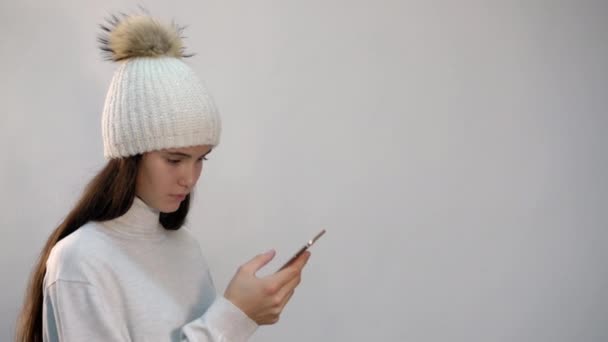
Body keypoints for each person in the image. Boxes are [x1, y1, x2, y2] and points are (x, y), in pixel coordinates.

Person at [15, 11, 311, 342]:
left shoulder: (185, 248)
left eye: (201, 159)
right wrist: (235, 317)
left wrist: (243, 314)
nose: (190, 178)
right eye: (174, 159)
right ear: (129, 156)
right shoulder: (80, 262)